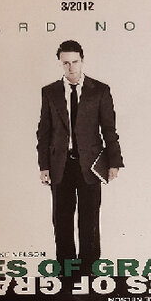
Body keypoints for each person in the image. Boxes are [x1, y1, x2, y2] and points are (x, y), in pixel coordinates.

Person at [36, 40, 124, 273]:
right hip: (60, 165)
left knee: (90, 220)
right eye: (66, 63)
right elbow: (44, 132)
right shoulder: (50, 92)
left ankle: (90, 271)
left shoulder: (100, 90)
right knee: (61, 220)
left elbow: (109, 129)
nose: (71, 67)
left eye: (75, 62)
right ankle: (66, 271)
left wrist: (114, 163)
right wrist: (44, 166)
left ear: (82, 61)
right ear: (60, 63)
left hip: (91, 165)